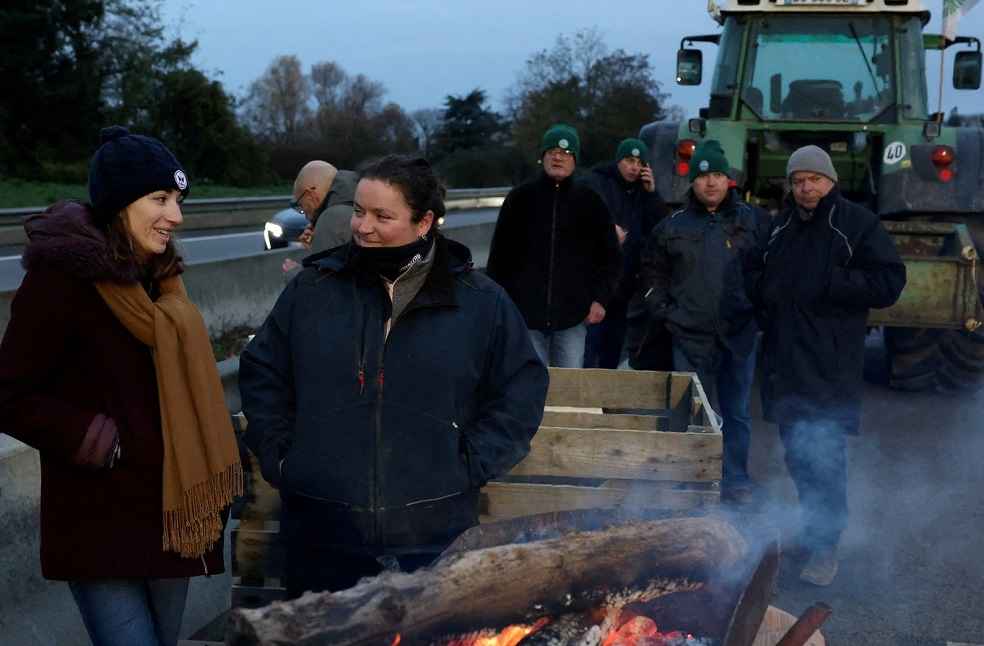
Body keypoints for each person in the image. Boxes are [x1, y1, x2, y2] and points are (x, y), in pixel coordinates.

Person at [239, 154, 548, 598]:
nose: (363, 226)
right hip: (322, 534)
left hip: (433, 536)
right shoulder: (312, 290)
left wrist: (466, 464)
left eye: (383, 216)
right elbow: (262, 371)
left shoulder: (480, 302)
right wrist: (284, 458)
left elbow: (520, 390)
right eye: (360, 211)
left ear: (424, 223)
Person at [0, 126, 242, 646]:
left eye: (178, 200)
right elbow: (9, 393)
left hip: (174, 524)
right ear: (118, 203)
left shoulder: (163, 278)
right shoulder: (60, 281)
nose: (175, 216)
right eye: (159, 199)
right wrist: (95, 438)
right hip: (100, 522)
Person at [745, 145, 906, 586]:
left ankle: (825, 549)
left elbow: (890, 281)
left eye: (814, 179)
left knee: (826, 460)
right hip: (787, 363)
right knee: (798, 456)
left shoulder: (857, 223)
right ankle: (811, 532)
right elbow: (757, 272)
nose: (805, 188)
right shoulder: (782, 226)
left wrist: (831, 283)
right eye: (798, 181)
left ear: (830, 181)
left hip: (832, 364)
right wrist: (764, 295)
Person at [640, 140, 770, 503]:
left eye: (717, 175)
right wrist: (664, 311)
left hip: (739, 334)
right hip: (689, 334)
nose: (710, 183)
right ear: (692, 182)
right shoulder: (672, 226)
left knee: (738, 413)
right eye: (702, 176)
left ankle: (736, 481)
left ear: (728, 180)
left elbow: (767, 270)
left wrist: (757, 312)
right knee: (692, 413)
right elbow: (652, 273)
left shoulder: (752, 221)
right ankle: (690, 480)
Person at [487, 123, 621, 367]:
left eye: (566, 153)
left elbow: (610, 257)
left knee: (570, 388)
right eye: (552, 152)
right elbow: (499, 257)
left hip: (574, 316)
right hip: (525, 315)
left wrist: (601, 299)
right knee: (529, 385)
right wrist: (502, 304)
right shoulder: (520, 199)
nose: (558, 157)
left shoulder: (591, 202)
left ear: (575, 160)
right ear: (542, 157)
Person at [584, 137, 669, 369]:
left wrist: (652, 193)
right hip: (596, 285)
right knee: (589, 349)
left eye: (639, 162)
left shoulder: (642, 193)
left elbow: (662, 229)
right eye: (629, 160)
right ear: (618, 160)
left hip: (624, 287)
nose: (634, 167)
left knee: (612, 350)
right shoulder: (597, 182)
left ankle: (607, 402)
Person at [282, 160, 358, 272]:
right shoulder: (359, 202)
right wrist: (317, 244)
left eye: (302, 208)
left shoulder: (331, 218)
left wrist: (293, 273)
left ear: (311, 196)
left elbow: (321, 284)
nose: (306, 217)